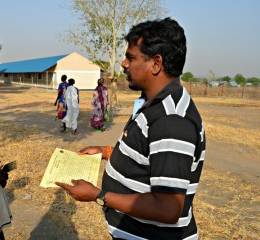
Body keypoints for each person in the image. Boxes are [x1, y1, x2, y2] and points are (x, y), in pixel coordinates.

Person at [56, 17, 206, 240]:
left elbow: (167, 208)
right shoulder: (153, 102)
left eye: (130, 57)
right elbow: (148, 155)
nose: (124, 64)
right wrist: (107, 152)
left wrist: (99, 195)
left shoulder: (171, 121)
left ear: (156, 63)